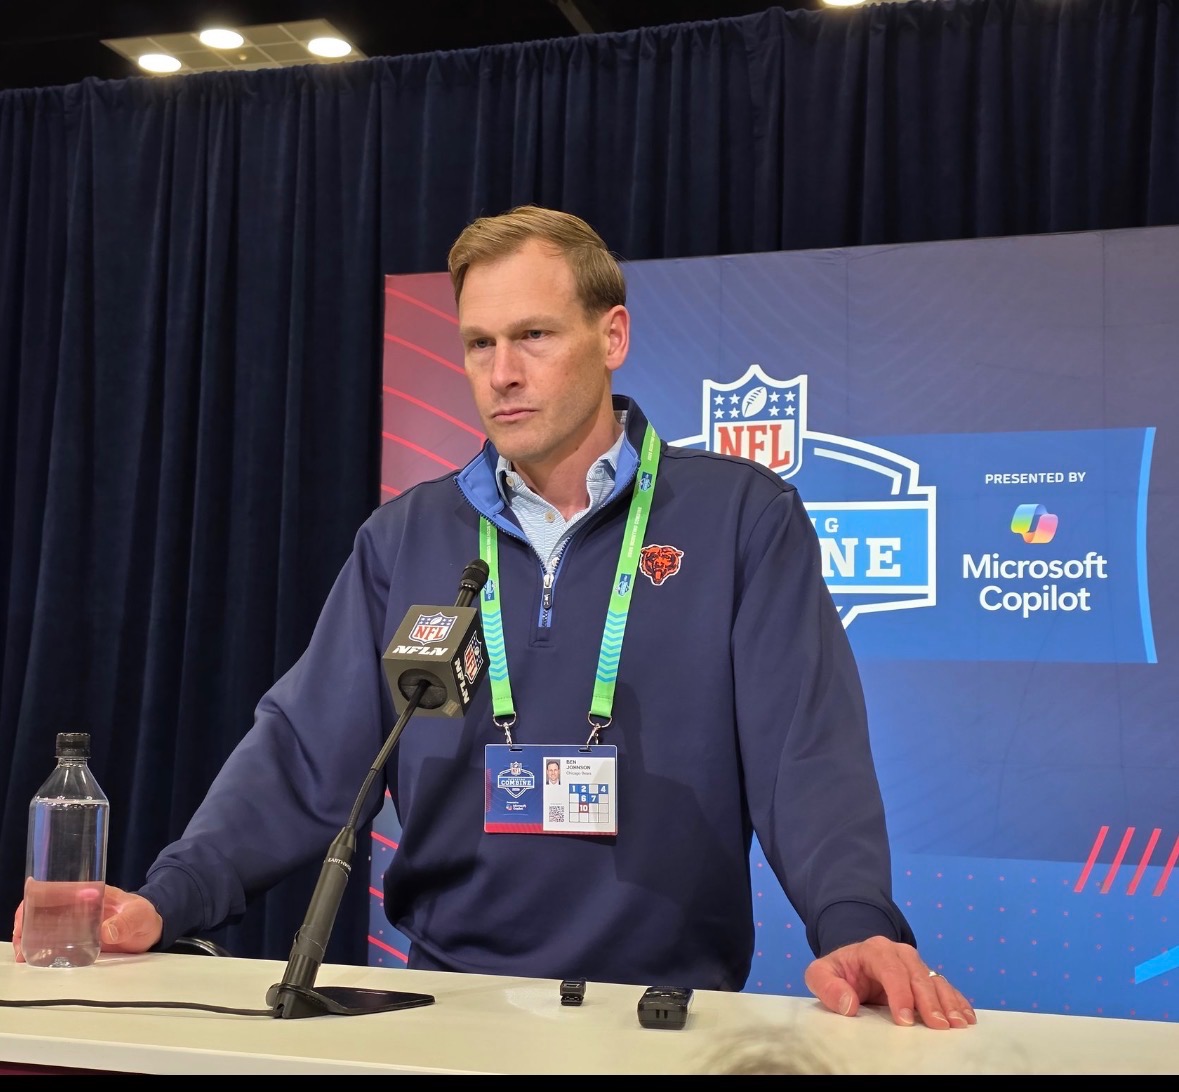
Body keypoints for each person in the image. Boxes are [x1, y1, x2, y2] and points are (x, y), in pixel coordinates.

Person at [11, 205, 975, 1030]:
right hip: (445, 1006)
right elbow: (306, 756)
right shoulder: (408, 536)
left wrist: (857, 925)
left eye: (533, 336)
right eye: (479, 344)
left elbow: (803, 753)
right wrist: (165, 898)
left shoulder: (738, 518)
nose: (501, 372)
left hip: (663, 1016)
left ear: (613, 337)